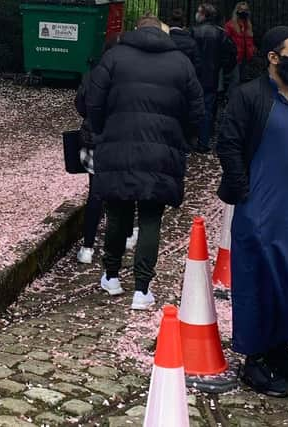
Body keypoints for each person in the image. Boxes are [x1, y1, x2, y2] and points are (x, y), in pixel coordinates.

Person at [217, 26, 288, 398]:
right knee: (258, 281)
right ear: (273, 58)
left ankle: (281, 349)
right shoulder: (250, 96)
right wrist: (246, 194)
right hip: (261, 208)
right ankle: (255, 359)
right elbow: (228, 145)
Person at [85, 14, 204, 310]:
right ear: (163, 32)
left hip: (118, 147)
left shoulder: (114, 57)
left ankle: (111, 275)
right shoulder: (181, 63)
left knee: (117, 213)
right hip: (162, 151)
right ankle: (142, 288)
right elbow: (197, 110)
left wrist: (101, 130)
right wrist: (185, 139)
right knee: (151, 217)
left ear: (136, 31)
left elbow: (93, 102)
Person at [75, 34, 138, 265]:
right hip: (122, 140)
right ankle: (128, 235)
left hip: (94, 141)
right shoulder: (131, 76)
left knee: (95, 194)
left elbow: (81, 107)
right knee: (126, 189)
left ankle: (88, 247)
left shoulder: (93, 75)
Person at [191, 3, 237, 153]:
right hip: (212, 76)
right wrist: (223, 69)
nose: (196, 14)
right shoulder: (221, 33)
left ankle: (191, 138)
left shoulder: (193, 31)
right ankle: (204, 141)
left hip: (194, 75)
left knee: (191, 105)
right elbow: (231, 55)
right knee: (208, 108)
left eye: (199, 11)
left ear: (204, 15)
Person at [224, 2, 255, 89]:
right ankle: (231, 99)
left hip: (246, 56)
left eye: (245, 10)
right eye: (241, 9)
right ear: (237, 11)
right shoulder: (230, 25)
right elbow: (226, 41)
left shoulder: (247, 25)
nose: (243, 12)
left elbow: (250, 40)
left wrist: (251, 50)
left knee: (243, 79)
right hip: (235, 57)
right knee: (235, 80)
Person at [168, 8, 202, 73]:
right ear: (184, 23)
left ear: (169, 21)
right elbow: (197, 65)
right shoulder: (191, 42)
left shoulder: (163, 38)